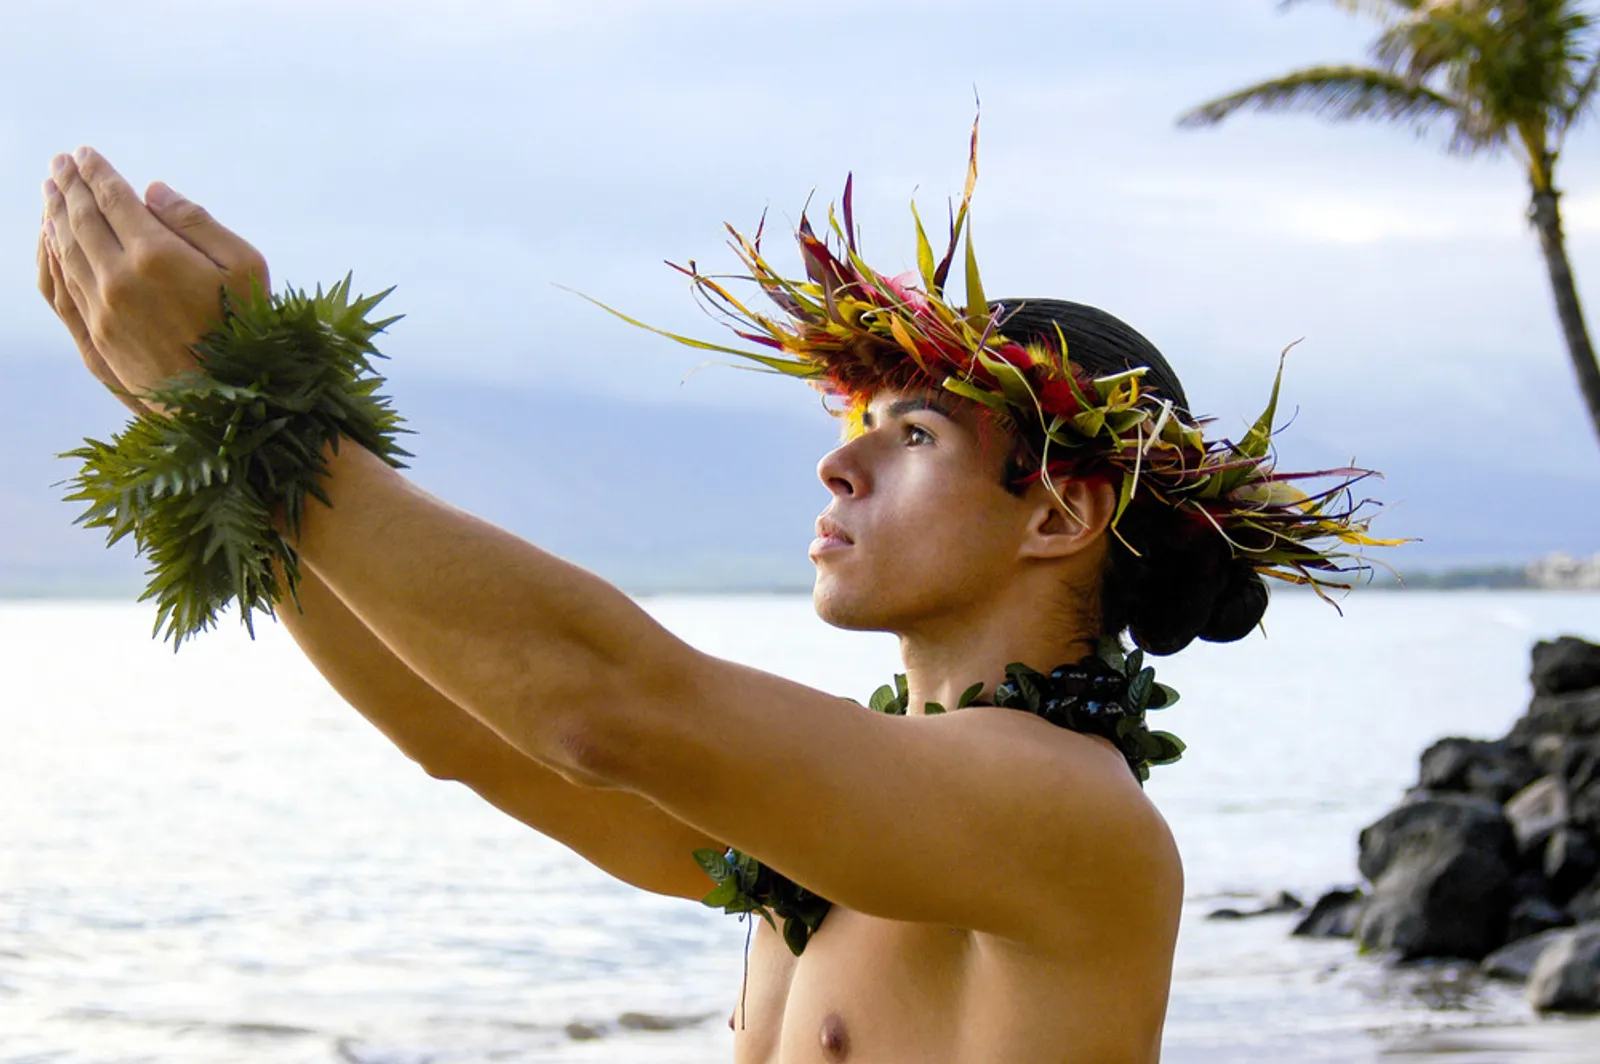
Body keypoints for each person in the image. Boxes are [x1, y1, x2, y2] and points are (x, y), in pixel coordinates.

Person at [35, 140, 1382, 1064]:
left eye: (911, 437)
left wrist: (248, 393)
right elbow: (474, 735)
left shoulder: (1070, 815)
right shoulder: (833, 840)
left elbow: (600, 703)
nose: (836, 458)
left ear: (1059, 512)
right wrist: (222, 441)